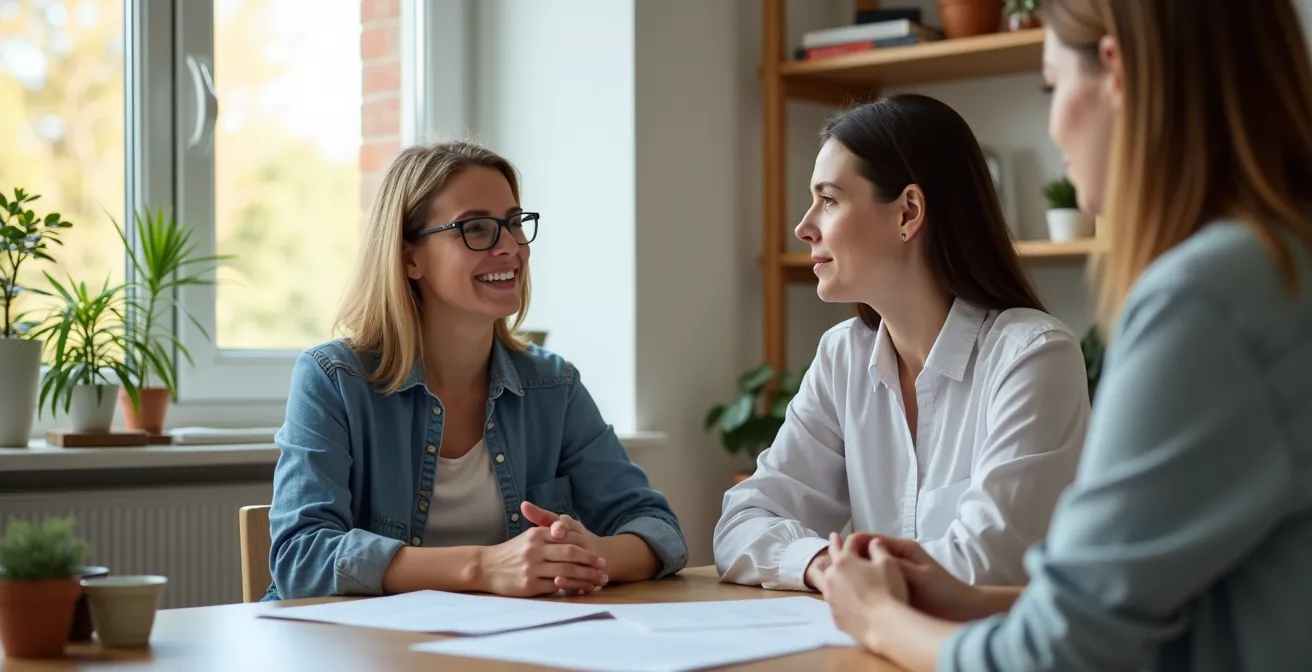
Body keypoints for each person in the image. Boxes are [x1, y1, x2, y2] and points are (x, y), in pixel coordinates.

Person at [818, 1, 1312, 670]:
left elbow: (1058, 656)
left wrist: (878, 617)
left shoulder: (1206, 301)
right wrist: (969, 600)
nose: (1053, 129)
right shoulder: (1278, 269)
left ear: (1117, 71)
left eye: (1051, 86)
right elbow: (1174, 601)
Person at [266, 140, 688, 600]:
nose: (510, 247)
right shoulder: (332, 378)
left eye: (514, 224)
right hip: (360, 640)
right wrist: (483, 567)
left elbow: (659, 530)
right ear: (409, 258)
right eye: (477, 229)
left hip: (506, 637)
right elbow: (300, 557)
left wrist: (588, 555)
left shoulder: (554, 385)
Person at [714, 93, 1090, 592]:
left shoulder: (1033, 356)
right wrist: (821, 564)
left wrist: (853, 573)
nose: (804, 227)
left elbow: (988, 565)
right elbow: (742, 522)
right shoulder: (843, 357)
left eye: (829, 200)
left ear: (908, 212)